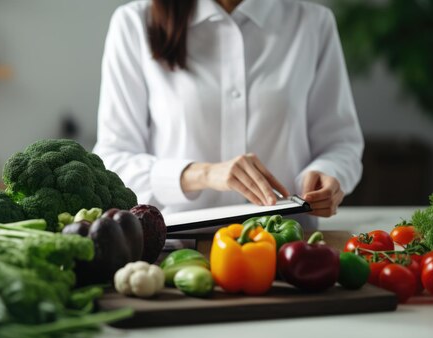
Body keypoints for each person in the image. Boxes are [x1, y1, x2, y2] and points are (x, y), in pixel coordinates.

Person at [93, 0, 364, 229]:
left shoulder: (313, 23)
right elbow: (113, 160)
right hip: (175, 252)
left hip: (291, 248)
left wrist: (328, 173)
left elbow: (341, 143)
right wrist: (203, 174)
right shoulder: (133, 23)